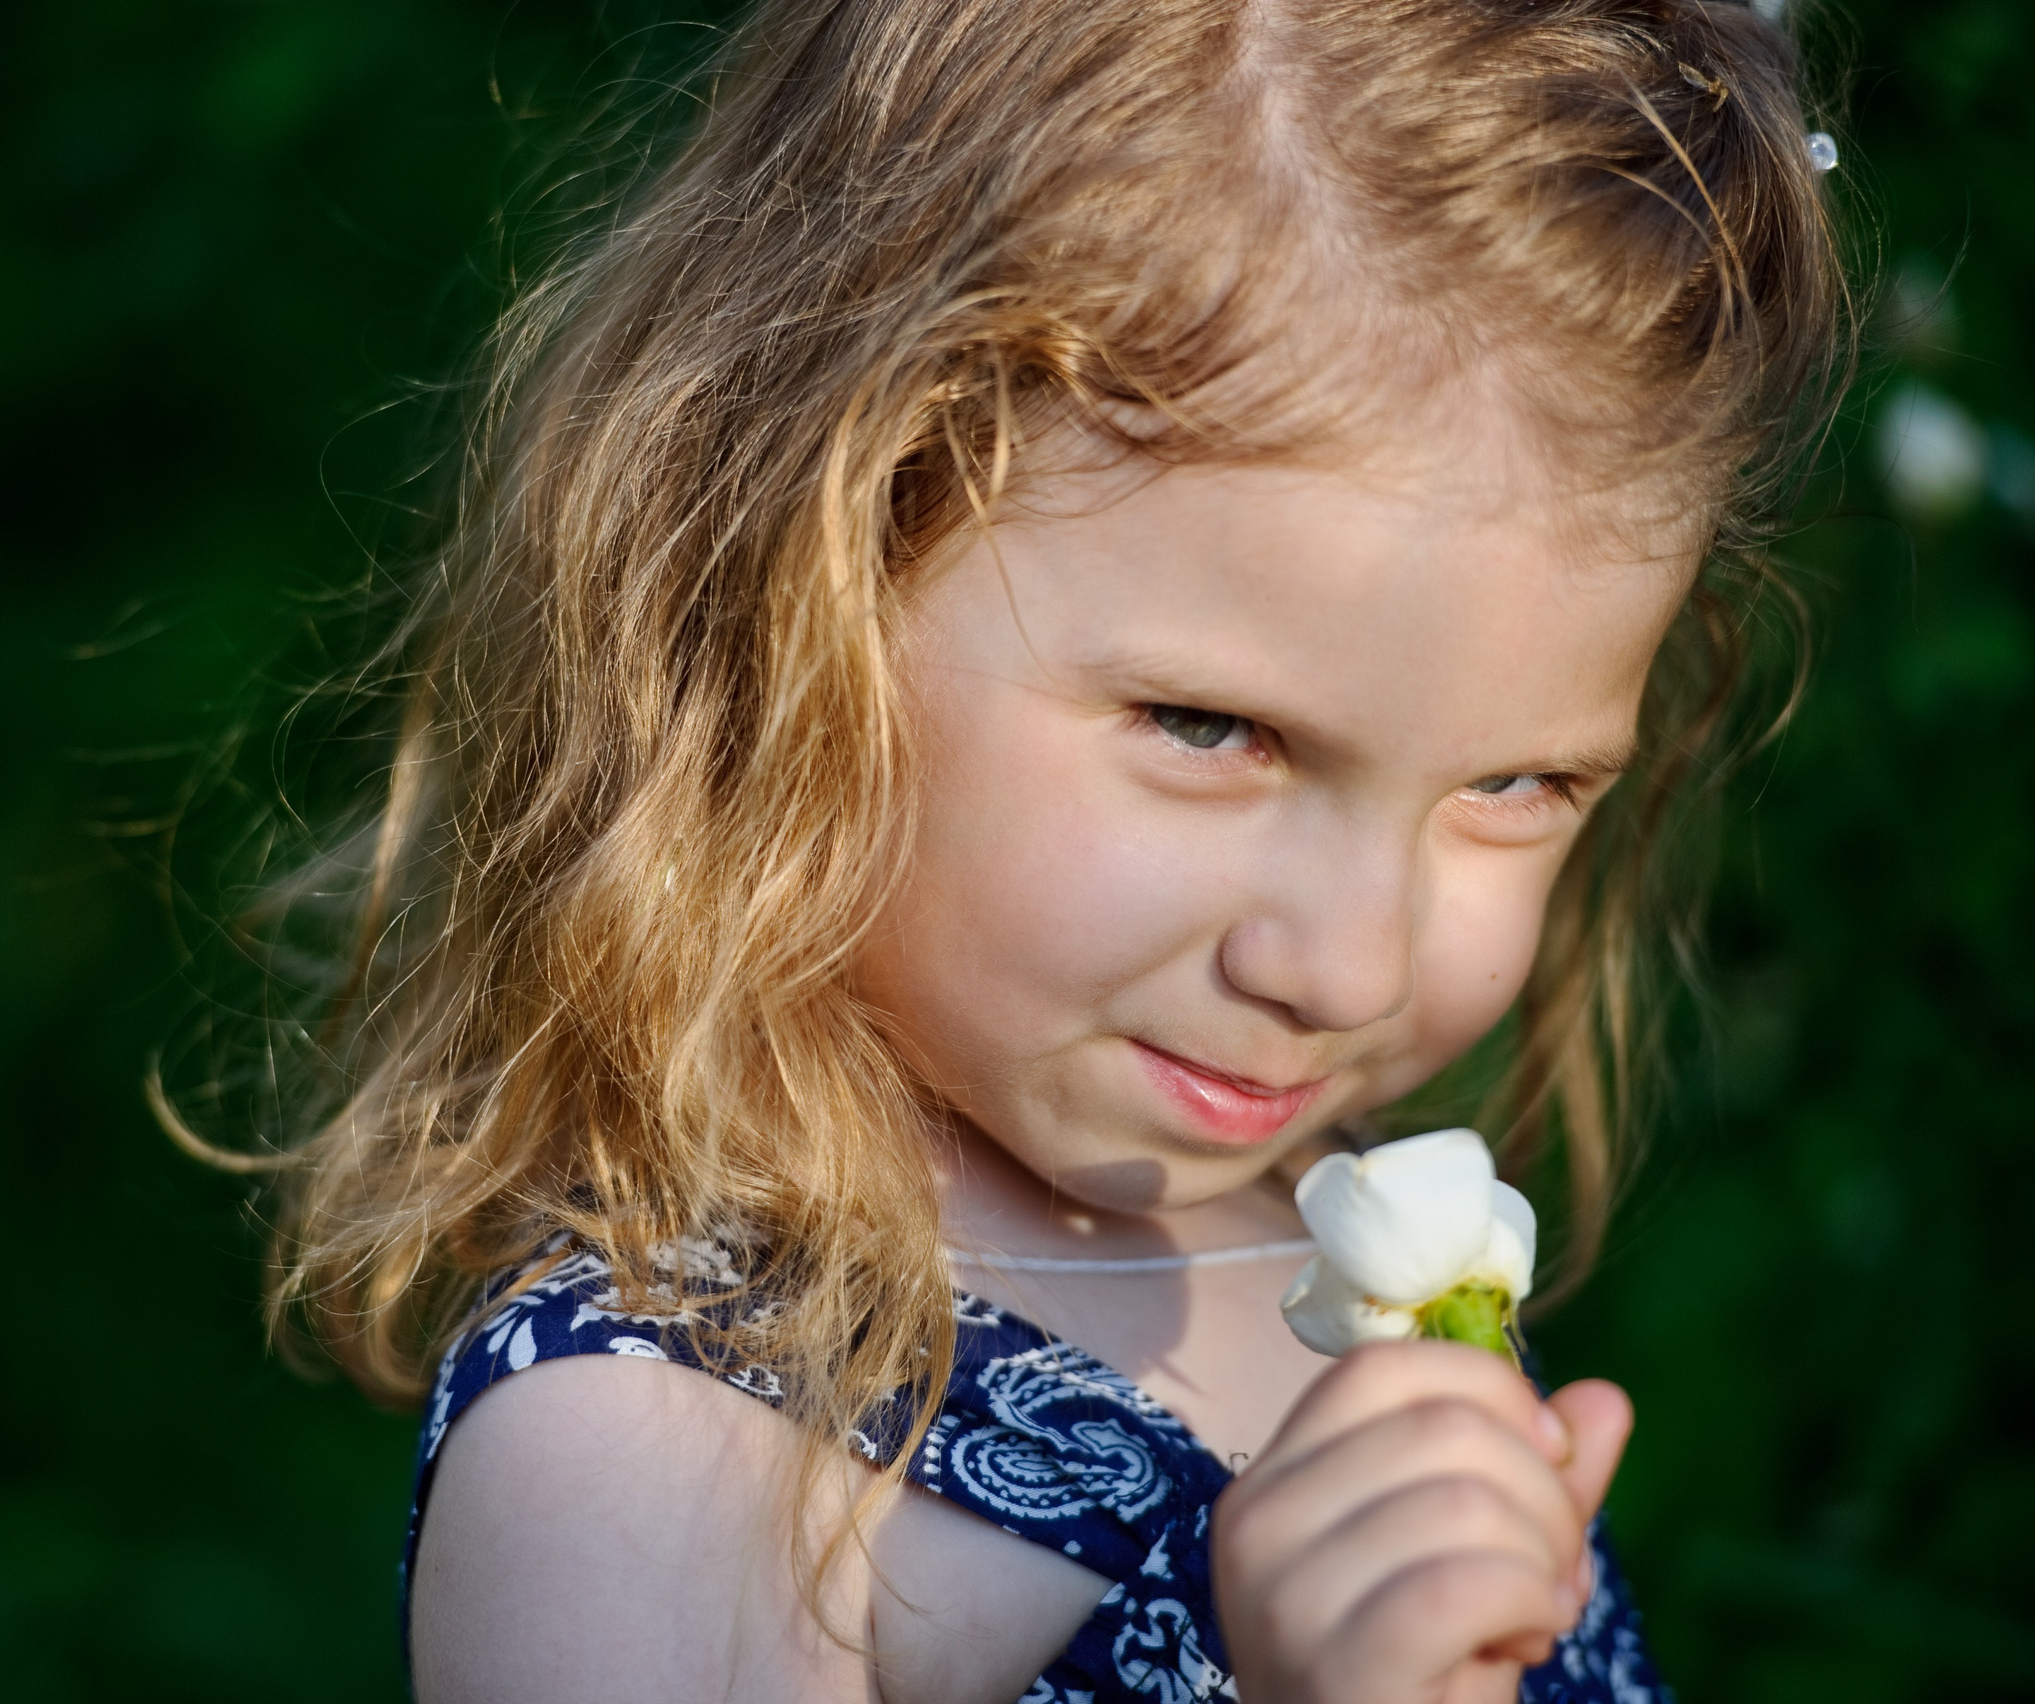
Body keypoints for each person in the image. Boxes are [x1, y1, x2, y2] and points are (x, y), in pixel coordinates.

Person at [183, 2, 1847, 1698]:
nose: (1351, 962)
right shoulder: (654, 1454)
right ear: (796, 579)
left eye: (1519, 786)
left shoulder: (1326, 1235)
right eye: (1213, 733)